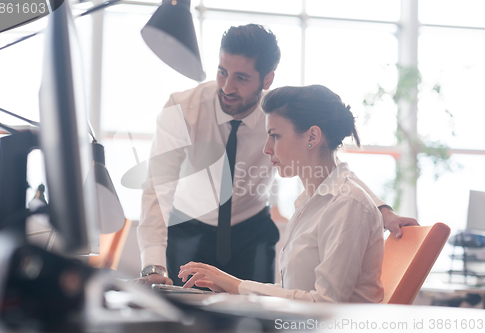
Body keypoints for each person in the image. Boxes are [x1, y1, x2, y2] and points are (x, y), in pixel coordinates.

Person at [136, 24, 417, 287]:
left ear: (267, 78)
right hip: (189, 226)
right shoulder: (182, 109)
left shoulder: (280, 115)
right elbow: (157, 188)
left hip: (252, 230)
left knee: (257, 316)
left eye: (241, 78)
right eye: (222, 72)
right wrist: (153, 265)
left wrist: (382, 211)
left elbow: (329, 167)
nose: (226, 87)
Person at [179, 85, 384, 303]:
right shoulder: (310, 204)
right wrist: (230, 287)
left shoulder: (347, 204)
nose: (266, 148)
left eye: (275, 136)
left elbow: (325, 302)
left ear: (312, 136)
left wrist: (236, 286)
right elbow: (295, 290)